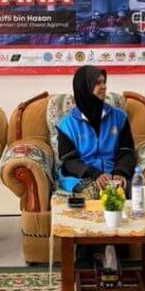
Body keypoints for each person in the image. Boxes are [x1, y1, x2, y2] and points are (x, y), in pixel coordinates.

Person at [56, 66, 135, 196]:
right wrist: (95, 174)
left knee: (132, 192)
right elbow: (70, 162)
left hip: (113, 174)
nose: (104, 86)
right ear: (84, 88)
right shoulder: (67, 124)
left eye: (104, 82)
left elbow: (127, 152)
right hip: (82, 176)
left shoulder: (119, 117)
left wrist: (120, 172)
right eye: (98, 83)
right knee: (95, 193)